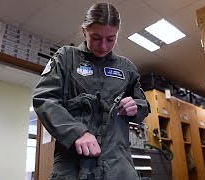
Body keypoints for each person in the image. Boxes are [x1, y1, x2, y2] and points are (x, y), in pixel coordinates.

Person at [33, 2, 150, 180]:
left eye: (111, 39)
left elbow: (143, 105)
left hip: (118, 164)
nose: (103, 45)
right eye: (96, 37)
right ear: (84, 31)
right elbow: (44, 98)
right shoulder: (66, 58)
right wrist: (76, 132)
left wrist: (136, 107)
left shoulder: (126, 68)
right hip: (73, 163)